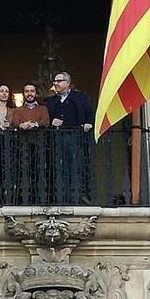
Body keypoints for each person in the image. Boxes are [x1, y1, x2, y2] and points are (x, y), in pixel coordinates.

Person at [45, 72, 95, 204]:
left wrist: (89, 123)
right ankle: (61, 197)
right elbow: (44, 118)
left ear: (67, 83)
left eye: (59, 81)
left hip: (75, 137)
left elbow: (90, 113)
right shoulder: (50, 101)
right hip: (57, 138)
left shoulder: (80, 97)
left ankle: (75, 197)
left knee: (75, 166)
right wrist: (51, 121)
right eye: (54, 81)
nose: (55, 83)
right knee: (58, 166)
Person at [9, 83, 51, 204]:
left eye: (32, 91)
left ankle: (39, 199)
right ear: (24, 93)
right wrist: (22, 125)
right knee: (23, 172)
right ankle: (24, 199)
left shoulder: (43, 108)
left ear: (35, 93)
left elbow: (46, 121)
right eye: (27, 91)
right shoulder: (18, 110)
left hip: (39, 145)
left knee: (39, 172)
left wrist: (35, 124)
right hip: (23, 146)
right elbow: (15, 122)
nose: (29, 93)